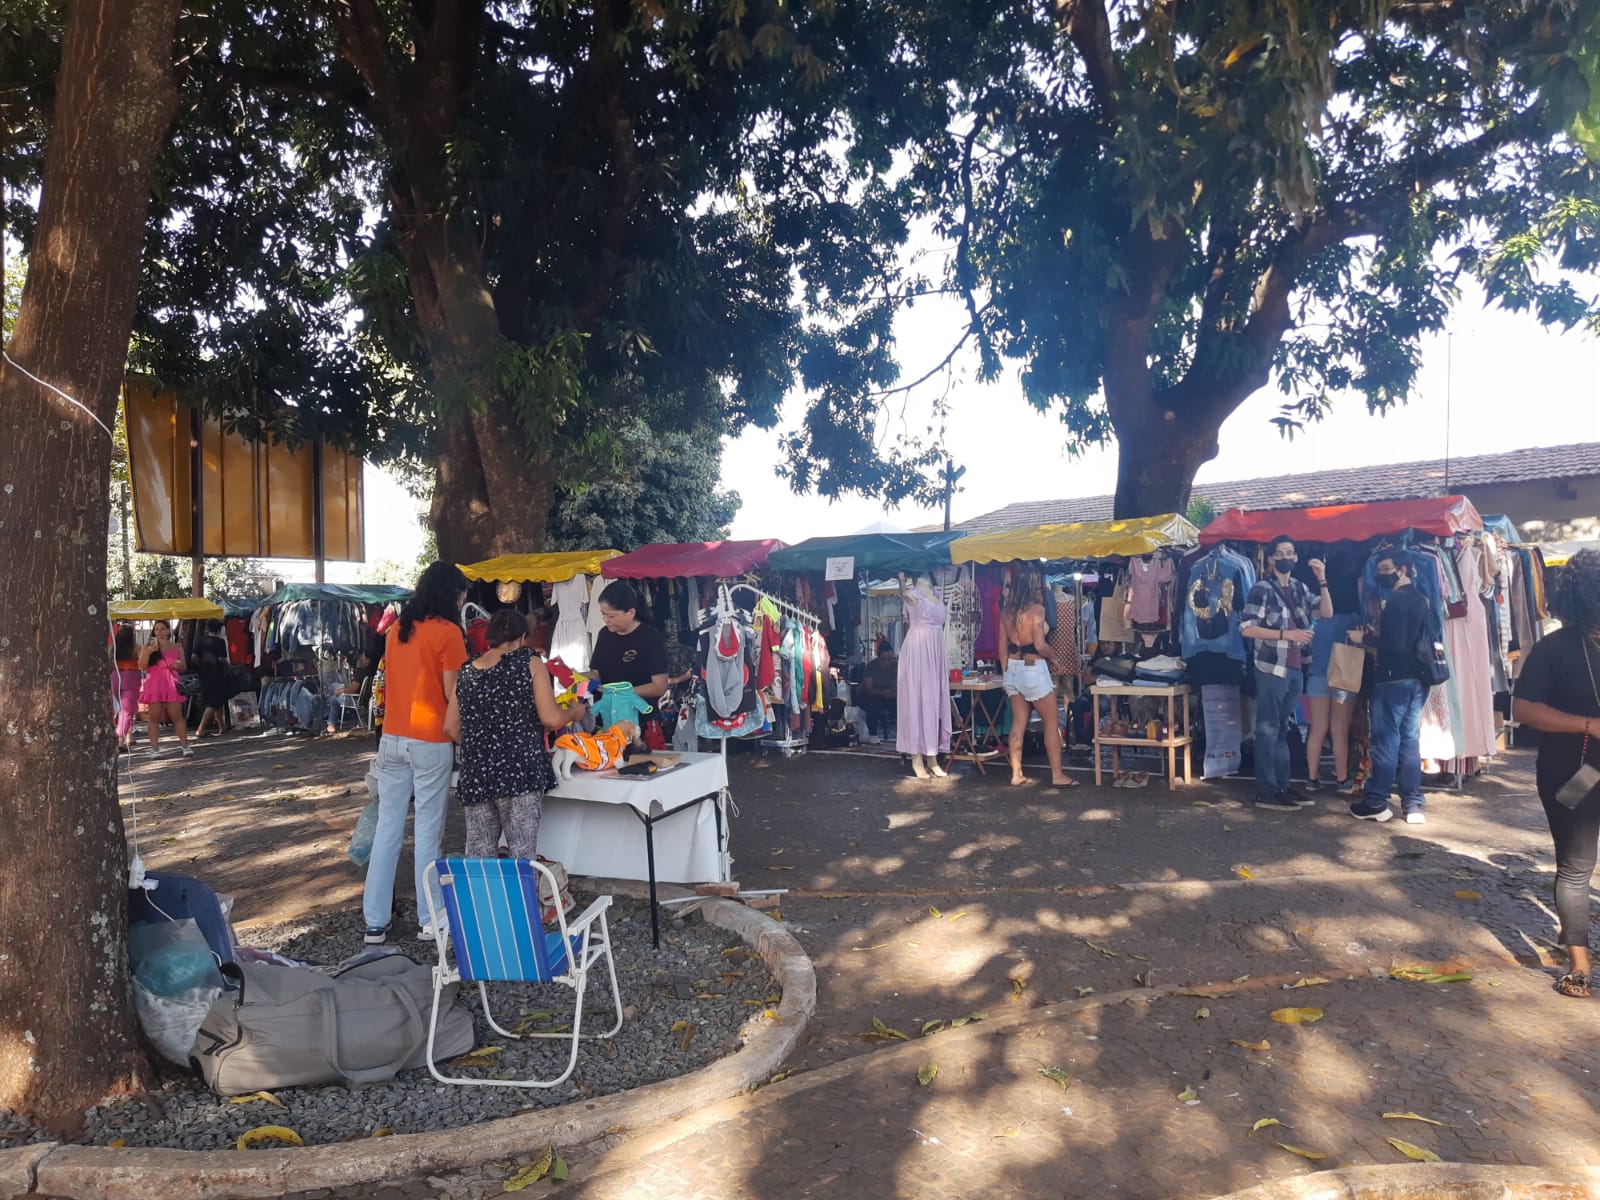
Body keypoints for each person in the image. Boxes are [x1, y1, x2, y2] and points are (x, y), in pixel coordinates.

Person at [363, 562, 470, 945]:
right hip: (430, 740)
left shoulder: (397, 630)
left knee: (387, 829)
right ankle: (431, 919)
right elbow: (452, 694)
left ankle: (375, 923)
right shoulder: (449, 633)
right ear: (452, 595)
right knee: (427, 831)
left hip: (391, 738)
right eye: (462, 594)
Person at [1512, 548, 1600, 998]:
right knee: (1576, 867)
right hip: (1573, 771)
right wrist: (1588, 724)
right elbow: (1524, 709)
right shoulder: (1554, 648)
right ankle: (1579, 964)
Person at [447, 608, 589, 860]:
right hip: (520, 771)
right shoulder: (529, 662)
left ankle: (483, 889)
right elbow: (551, 718)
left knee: (480, 857)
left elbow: (450, 727)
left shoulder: (466, 671)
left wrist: (482, 745)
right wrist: (574, 712)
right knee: (522, 855)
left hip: (477, 774)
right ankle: (521, 889)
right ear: (522, 637)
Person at [1240, 537, 1330, 811]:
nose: (1285, 557)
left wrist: (1322, 580)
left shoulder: (1300, 587)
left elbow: (1326, 612)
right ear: (1270, 559)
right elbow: (1246, 627)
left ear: (1296, 557)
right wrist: (1286, 634)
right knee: (1268, 729)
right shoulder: (1262, 589)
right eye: (1279, 553)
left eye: (1290, 553)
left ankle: (1282, 785)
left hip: (1295, 666)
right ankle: (1266, 791)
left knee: (1282, 729)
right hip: (1271, 666)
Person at [1350, 549, 1432, 824]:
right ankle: (1412, 803)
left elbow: (1395, 645)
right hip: (1418, 679)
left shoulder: (1396, 600)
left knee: (1386, 741)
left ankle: (1376, 801)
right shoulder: (1421, 599)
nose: (1381, 575)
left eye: (1386, 569)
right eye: (1379, 570)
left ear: (1403, 569)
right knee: (1409, 740)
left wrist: (1365, 638)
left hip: (1393, 678)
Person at [999, 568, 1073, 787]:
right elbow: (1040, 645)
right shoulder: (1037, 610)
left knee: (1018, 723)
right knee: (1051, 722)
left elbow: (1002, 648)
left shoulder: (1007, 612)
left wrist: (1006, 672)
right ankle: (1057, 775)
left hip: (1013, 669)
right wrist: (1055, 659)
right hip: (1033, 668)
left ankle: (1016, 773)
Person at [1303, 572, 1362, 793]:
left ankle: (1312, 778)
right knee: (1340, 729)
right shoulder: (1354, 618)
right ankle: (1342, 780)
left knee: (1317, 728)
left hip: (1316, 675)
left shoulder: (1315, 617)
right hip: (1343, 676)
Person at [589, 580, 669, 701]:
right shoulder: (604, 634)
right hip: (607, 709)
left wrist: (621, 692)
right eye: (603, 614)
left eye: (611, 616)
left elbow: (659, 686)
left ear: (630, 613)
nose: (605, 620)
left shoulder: (651, 637)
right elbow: (597, 673)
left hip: (638, 710)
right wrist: (577, 676)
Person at [138, 620, 193, 758]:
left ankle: (185, 745)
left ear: (168, 631)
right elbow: (142, 666)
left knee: (177, 716)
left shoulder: (177, 647)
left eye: (163, 629)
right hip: (154, 683)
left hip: (171, 683)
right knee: (154, 717)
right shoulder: (148, 647)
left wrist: (179, 665)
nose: (159, 632)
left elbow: (184, 667)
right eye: (156, 629)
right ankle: (154, 748)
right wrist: (148, 652)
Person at [192, 619, 232, 739]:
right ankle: (201, 729)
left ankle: (222, 726)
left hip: (204, 674)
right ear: (220, 630)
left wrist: (201, 664)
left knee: (215, 700)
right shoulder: (220, 642)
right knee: (213, 702)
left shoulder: (200, 641)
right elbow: (221, 658)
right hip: (217, 674)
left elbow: (194, 656)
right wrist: (228, 665)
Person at [111, 623, 142, 754]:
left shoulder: (114, 648)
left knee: (122, 709)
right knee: (127, 711)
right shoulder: (135, 648)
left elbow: (109, 663)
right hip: (131, 677)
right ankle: (120, 739)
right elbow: (143, 663)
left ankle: (128, 737)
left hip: (115, 676)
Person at [858, 645, 898, 742]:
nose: (888, 662)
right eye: (884, 659)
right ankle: (873, 734)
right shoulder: (871, 667)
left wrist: (896, 693)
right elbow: (868, 689)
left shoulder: (896, 666)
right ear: (878, 657)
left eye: (890, 659)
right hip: (874, 695)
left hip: (891, 695)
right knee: (873, 704)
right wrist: (882, 692)